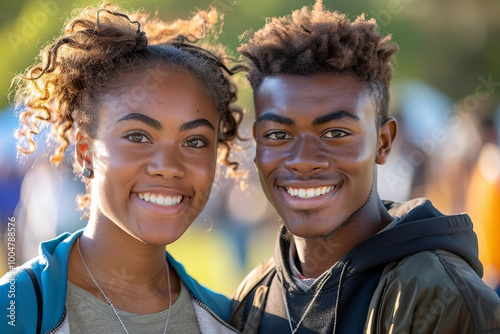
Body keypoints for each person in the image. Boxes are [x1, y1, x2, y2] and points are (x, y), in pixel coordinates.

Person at [229, 1, 500, 333]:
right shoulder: (253, 296)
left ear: (383, 142)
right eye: (278, 134)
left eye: (335, 133)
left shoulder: (440, 298)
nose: (303, 160)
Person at [0, 3, 244, 333]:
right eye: (138, 136)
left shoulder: (229, 320)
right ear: (85, 150)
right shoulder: (13, 310)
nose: (168, 167)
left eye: (195, 141)